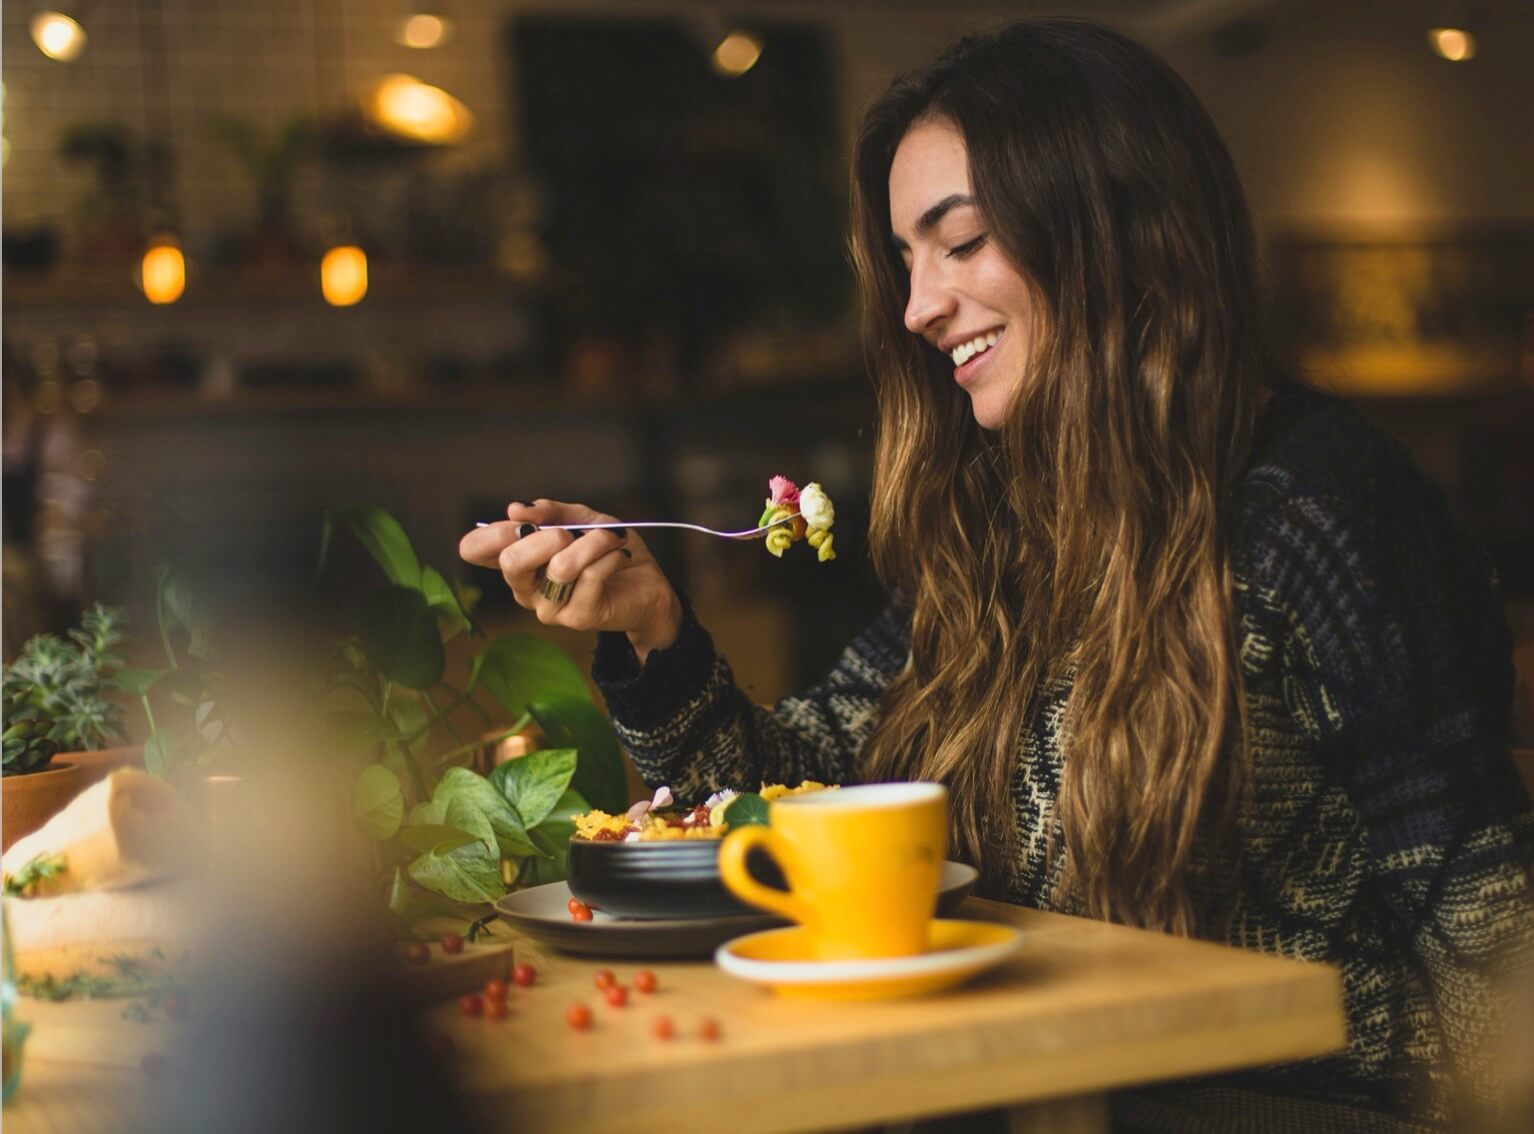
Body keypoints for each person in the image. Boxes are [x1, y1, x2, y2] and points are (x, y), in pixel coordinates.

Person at [461, 19, 1533, 1132]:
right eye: (907, 261)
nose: (920, 307)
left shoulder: (1321, 508)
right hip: (1018, 1087)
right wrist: (653, 630)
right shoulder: (1003, 523)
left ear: (1114, 223)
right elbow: (812, 803)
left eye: (960, 241)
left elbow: (1489, 969)